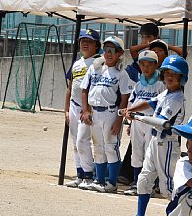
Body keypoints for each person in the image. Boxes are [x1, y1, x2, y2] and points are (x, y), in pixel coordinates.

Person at [123, 55, 188, 216]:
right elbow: (150, 103)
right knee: (144, 180)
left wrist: (137, 117)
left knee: (168, 187)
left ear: (182, 77)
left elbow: (161, 122)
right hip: (154, 142)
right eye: (167, 73)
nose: (169, 76)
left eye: (174, 74)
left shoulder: (177, 98)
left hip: (167, 145)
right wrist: (130, 109)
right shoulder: (165, 93)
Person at [79, 36, 133, 193]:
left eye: (113, 50)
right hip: (95, 112)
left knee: (110, 147)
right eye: (106, 49)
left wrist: (119, 120)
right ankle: (99, 180)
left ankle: (112, 182)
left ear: (120, 53)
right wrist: (86, 110)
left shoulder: (121, 73)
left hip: (111, 112)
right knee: (98, 147)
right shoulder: (94, 68)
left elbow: (125, 97)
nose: (109, 53)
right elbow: (84, 89)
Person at [123, 49, 165, 196]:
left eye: (149, 64)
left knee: (149, 153)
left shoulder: (160, 85)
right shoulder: (138, 85)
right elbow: (131, 102)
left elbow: (160, 105)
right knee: (136, 153)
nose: (145, 68)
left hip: (151, 121)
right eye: (143, 64)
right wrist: (129, 122)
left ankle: (149, 185)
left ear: (156, 65)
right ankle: (136, 182)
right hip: (136, 120)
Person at [63, 29, 100, 188]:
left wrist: (88, 109)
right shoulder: (76, 63)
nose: (85, 44)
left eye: (90, 41)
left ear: (97, 45)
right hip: (74, 106)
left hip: (88, 109)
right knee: (75, 143)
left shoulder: (99, 62)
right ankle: (80, 174)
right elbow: (70, 88)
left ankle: (88, 175)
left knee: (82, 141)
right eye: (83, 41)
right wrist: (66, 110)